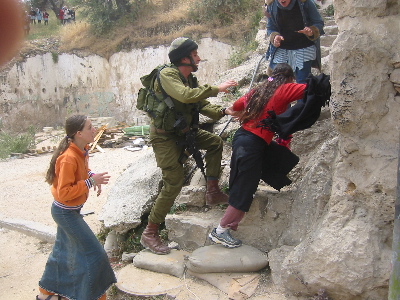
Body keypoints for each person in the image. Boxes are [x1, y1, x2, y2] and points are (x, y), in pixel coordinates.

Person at [140, 37, 238, 255]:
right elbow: (185, 97)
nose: (199, 58)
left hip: (185, 132)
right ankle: (150, 232)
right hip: (164, 138)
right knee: (173, 182)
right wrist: (217, 88)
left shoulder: (190, 80)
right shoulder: (167, 75)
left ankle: (212, 191)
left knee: (214, 142)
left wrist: (225, 111)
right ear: (184, 58)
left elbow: (201, 104)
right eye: (195, 55)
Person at [208, 63, 306, 248]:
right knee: (245, 187)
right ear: (290, 78)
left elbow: (236, 105)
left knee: (280, 160)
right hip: (251, 144)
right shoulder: (284, 89)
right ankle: (220, 231)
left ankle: (229, 223)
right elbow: (310, 89)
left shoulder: (258, 90)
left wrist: (241, 112)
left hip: (246, 139)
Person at [37, 115, 117, 300]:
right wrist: (90, 182)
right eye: (90, 127)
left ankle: (47, 294)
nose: (94, 130)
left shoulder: (82, 150)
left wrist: (92, 176)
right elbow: (65, 192)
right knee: (95, 254)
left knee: (63, 253)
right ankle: (93, 296)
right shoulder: (68, 158)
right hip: (65, 213)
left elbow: (82, 171)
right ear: (79, 133)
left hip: (71, 211)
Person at [265, 0, 324, 84]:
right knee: (278, 83)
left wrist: (311, 30)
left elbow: (318, 22)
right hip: (282, 50)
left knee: (302, 84)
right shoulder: (271, 6)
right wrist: (275, 37)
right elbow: (270, 27)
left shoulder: (306, 3)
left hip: (304, 49)